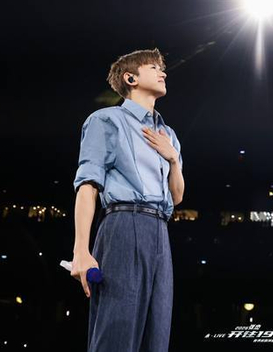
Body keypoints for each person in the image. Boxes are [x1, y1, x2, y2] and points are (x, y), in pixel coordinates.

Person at [70, 48, 185, 352]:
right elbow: (88, 184)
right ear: (131, 78)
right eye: (154, 67)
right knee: (117, 333)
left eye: (162, 68)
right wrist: (81, 250)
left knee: (156, 336)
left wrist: (173, 159)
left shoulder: (168, 134)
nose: (163, 72)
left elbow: (177, 196)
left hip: (160, 231)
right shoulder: (106, 120)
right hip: (123, 224)